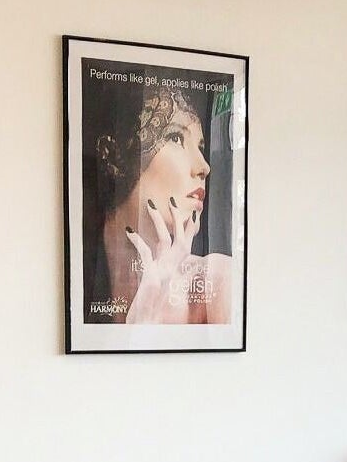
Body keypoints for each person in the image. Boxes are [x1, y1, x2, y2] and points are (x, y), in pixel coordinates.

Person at [81, 73, 236, 325]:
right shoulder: (75, 278)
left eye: (201, 147)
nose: (204, 166)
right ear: (112, 154)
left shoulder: (217, 280)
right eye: (175, 137)